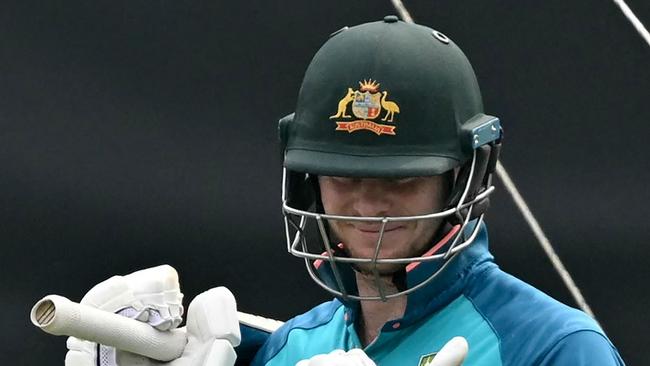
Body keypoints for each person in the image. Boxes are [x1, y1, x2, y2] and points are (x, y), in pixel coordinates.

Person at [59, 17, 625, 366]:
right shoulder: (289, 349)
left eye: (401, 179)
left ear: (464, 176)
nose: (367, 205)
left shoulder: (556, 349)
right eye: (343, 175)